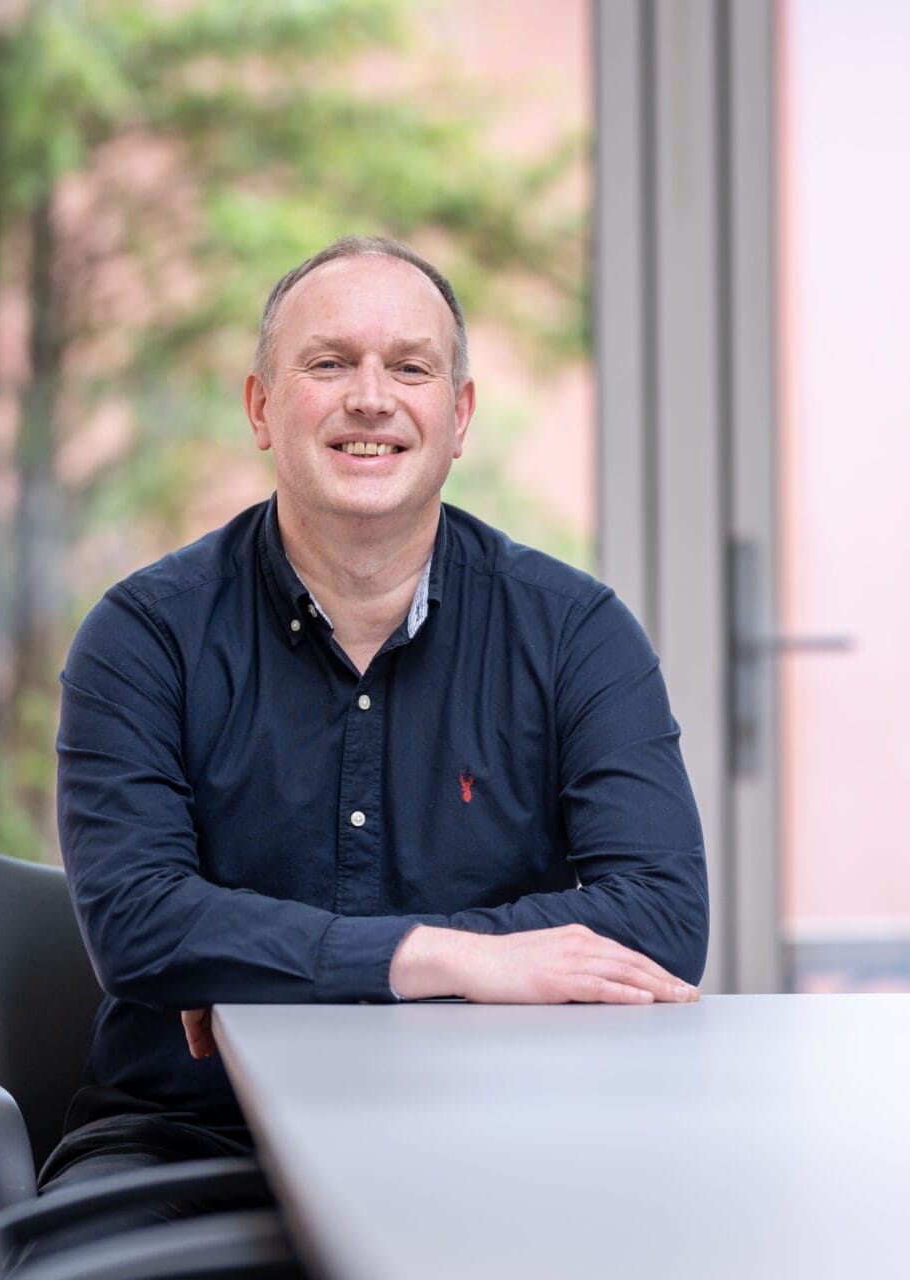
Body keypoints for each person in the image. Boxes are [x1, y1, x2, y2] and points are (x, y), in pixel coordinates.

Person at [43, 236, 708, 1212]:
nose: (370, 396)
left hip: (498, 1140)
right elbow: (141, 926)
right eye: (328, 363)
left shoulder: (575, 634)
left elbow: (661, 916)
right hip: (191, 1149)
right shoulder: (145, 636)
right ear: (262, 407)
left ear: (459, 414)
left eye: (409, 366)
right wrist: (452, 957)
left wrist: (260, 948)